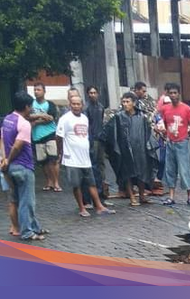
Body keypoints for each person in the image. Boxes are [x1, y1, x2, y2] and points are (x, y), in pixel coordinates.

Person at [56, 96, 115, 217]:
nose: (76, 106)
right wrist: (60, 152)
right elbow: (59, 137)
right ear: (70, 105)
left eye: (78, 104)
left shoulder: (84, 118)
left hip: (85, 157)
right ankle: (82, 208)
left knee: (92, 182)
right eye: (74, 104)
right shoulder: (65, 119)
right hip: (72, 158)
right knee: (76, 184)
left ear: (82, 105)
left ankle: (99, 206)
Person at [1, 91, 48, 240]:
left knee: (17, 199)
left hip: (10, 168)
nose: (31, 109)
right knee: (27, 201)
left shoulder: (8, 119)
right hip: (23, 166)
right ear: (26, 106)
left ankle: (35, 227)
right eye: (30, 106)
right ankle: (27, 232)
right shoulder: (24, 124)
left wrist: (3, 159)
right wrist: (8, 158)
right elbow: (17, 146)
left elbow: (1, 139)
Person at [102, 93, 155, 207]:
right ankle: (131, 197)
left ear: (134, 103)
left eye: (128, 102)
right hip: (125, 150)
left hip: (140, 149)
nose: (125, 104)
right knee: (128, 174)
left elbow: (148, 132)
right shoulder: (118, 117)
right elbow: (111, 132)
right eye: (124, 102)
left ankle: (142, 195)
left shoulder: (142, 116)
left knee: (142, 172)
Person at [159, 83, 190, 206]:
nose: (173, 95)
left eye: (175, 93)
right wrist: (165, 134)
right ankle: (171, 196)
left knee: (184, 169)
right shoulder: (165, 109)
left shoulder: (186, 109)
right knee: (170, 170)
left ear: (179, 94)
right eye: (171, 93)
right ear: (168, 94)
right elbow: (164, 124)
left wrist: (188, 135)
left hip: (182, 143)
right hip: (170, 143)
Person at [28, 83, 62, 192]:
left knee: (53, 159)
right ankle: (49, 182)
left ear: (44, 91)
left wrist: (35, 121)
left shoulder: (50, 104)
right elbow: (28, 116)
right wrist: (42, 115)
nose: (36, 92)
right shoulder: (31, 104)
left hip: (50, 134)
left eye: (38, 89)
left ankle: (56, 182)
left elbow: (51, 118)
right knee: (43, 161)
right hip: (37, 136)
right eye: (35, 90)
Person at [134, 81, 163, 197]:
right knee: (138, 162)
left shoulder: (148, 101)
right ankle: (140, 187)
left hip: (148, 134)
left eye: (145, 91)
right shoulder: (131, 100)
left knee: (150, 159)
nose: (145, 93)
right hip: (136, 136)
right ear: (136, 90)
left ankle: (149, 184)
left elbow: (154, 113)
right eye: (143, 91)